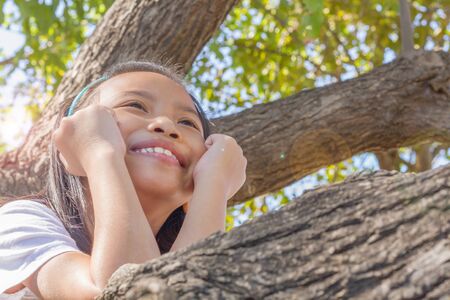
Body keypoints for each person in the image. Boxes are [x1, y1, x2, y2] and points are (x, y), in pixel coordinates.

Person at [0, 61, 247, 299]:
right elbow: (125, 292)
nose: (166, 125)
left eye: (187, 122)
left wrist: (214, 183)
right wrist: (100, 153)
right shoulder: (22, 222)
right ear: (76, 144)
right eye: (136, 105)